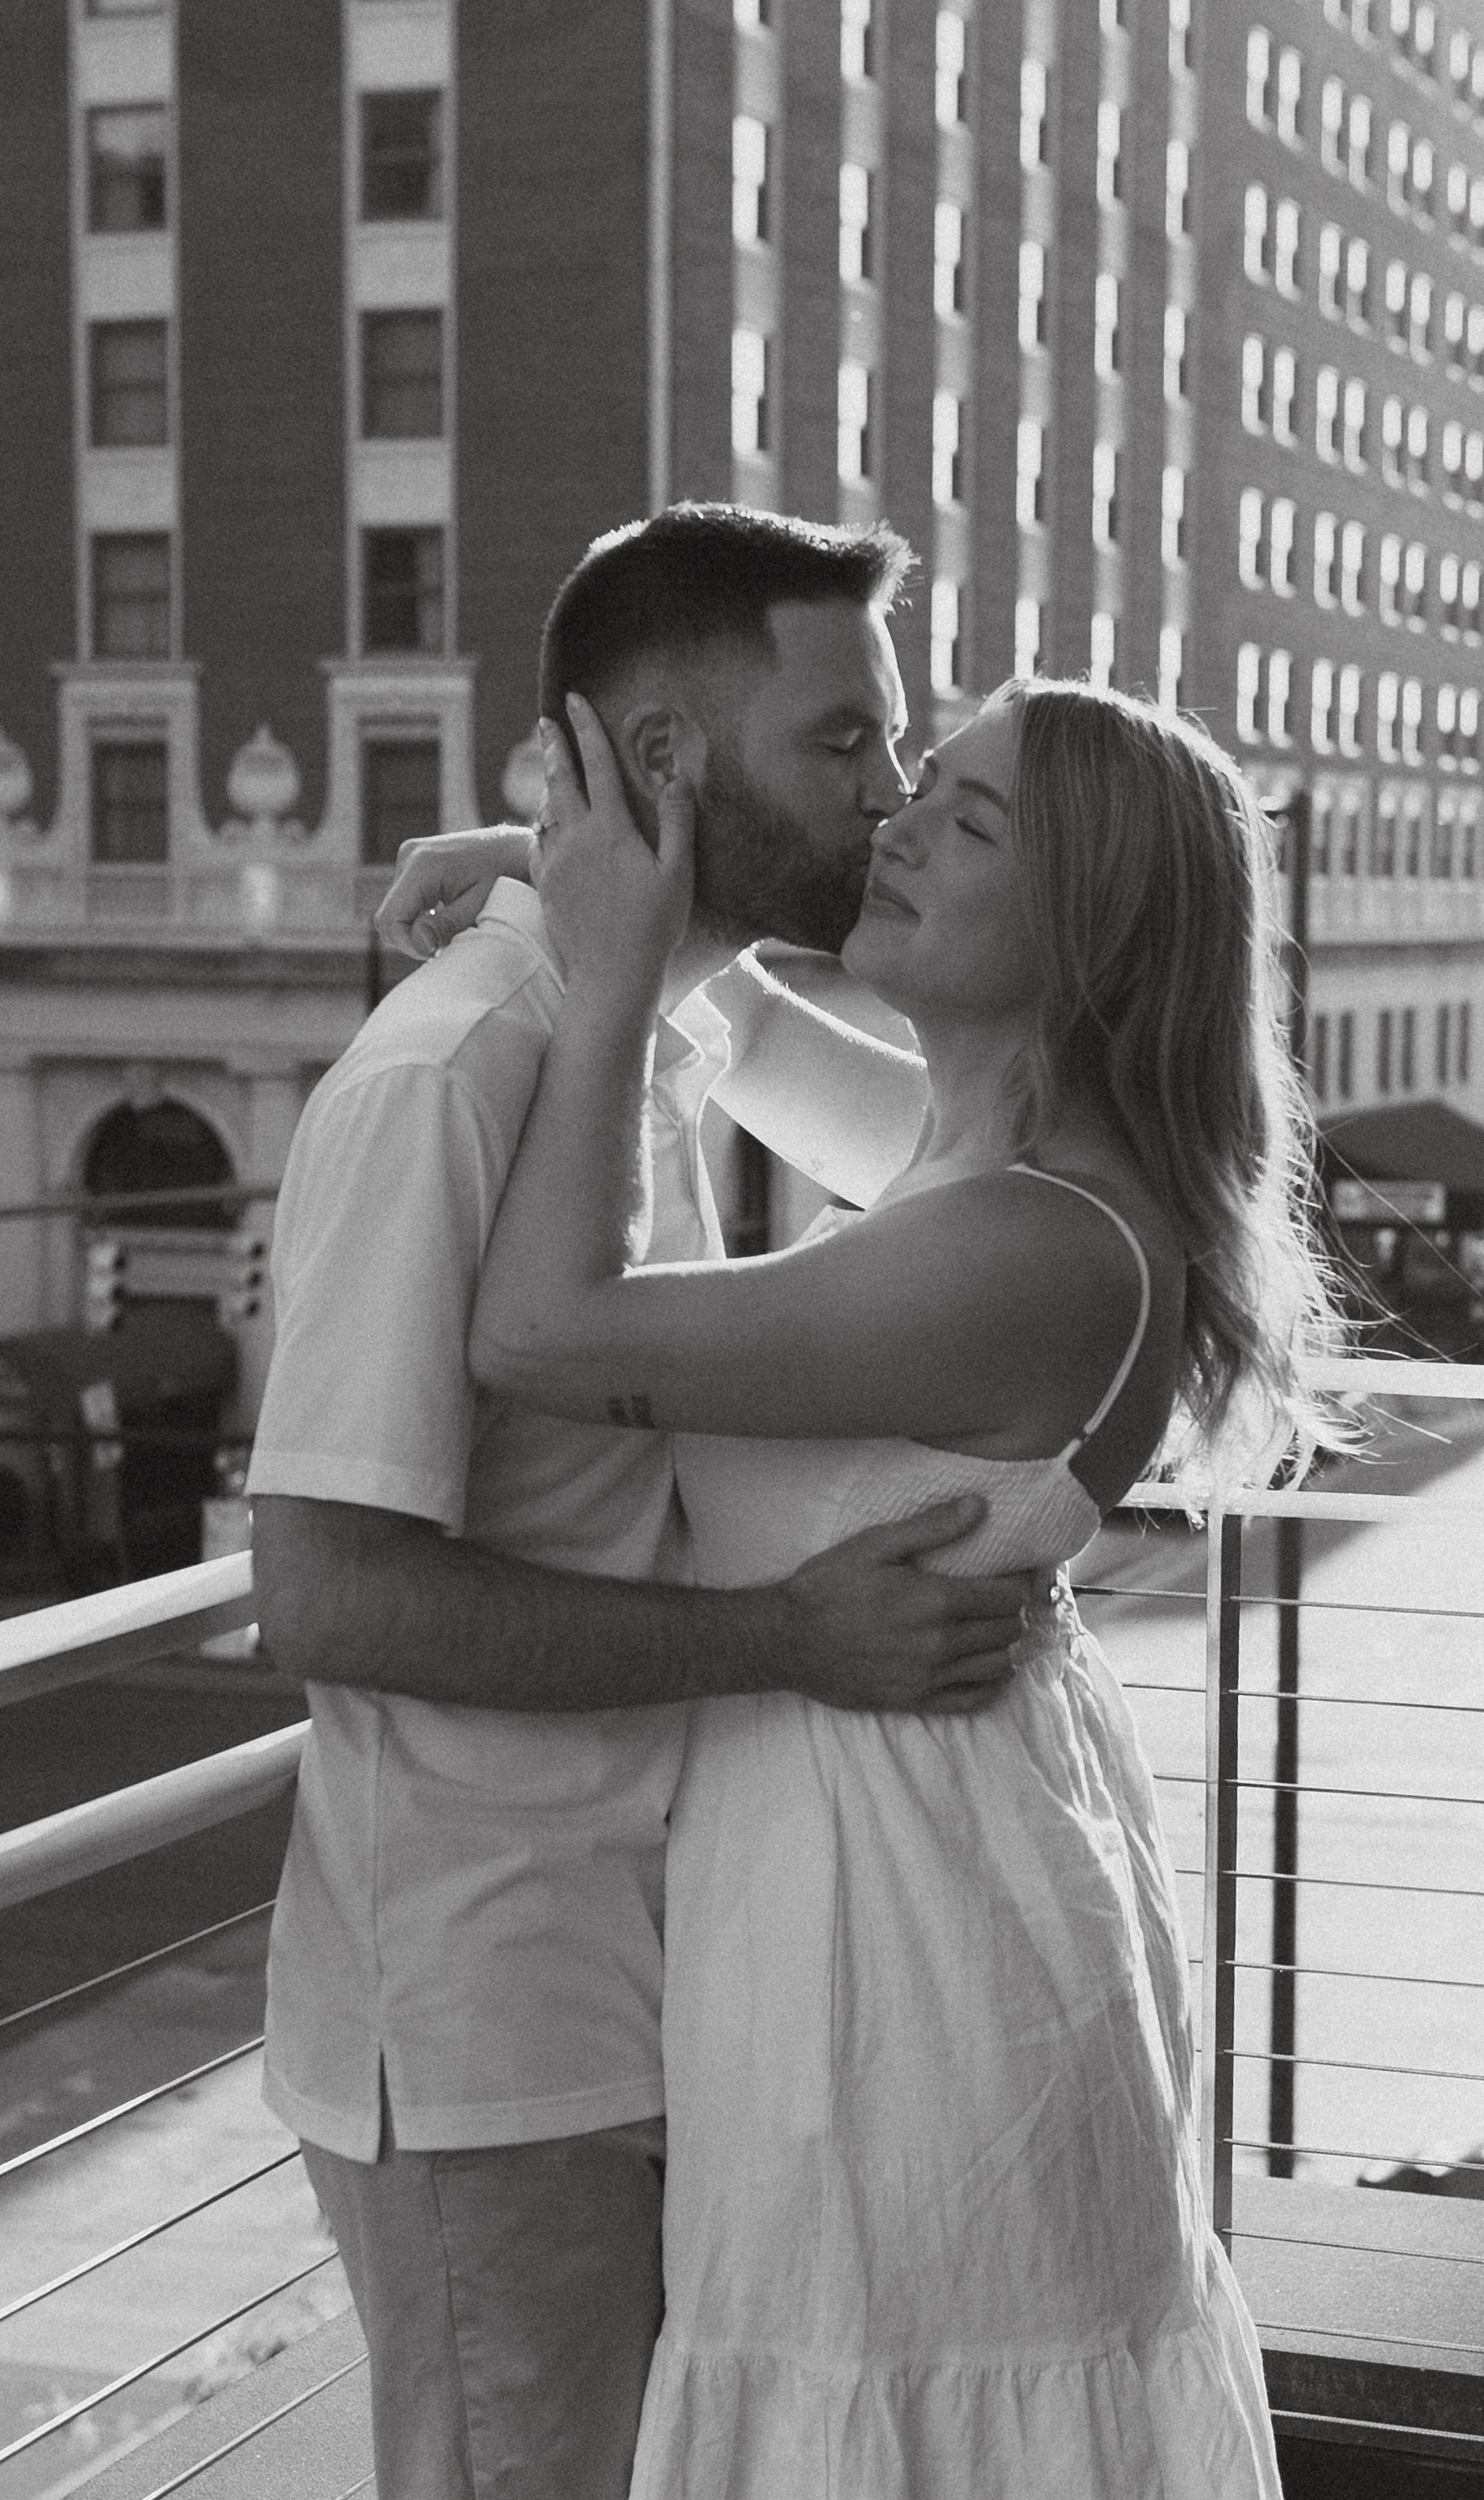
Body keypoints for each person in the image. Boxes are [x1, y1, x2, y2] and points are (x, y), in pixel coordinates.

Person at [463, 675, 1344, 2498]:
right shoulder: (990, 1156)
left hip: (908, 1908)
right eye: (914, 784)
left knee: (901, 2381)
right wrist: (572, 886)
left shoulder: (1030, 1243)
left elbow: (544, 1333)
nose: (901, 822)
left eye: (973, 818)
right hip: (895, 1826)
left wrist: (611, 974)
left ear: (1092, 920)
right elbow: (762, 1036)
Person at [246, 505, 1037, 2500]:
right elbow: (329, 1592)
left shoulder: (632, 1051)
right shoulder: (453, 1074)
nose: (888, 792)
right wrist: (788, 1640)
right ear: (669, 764)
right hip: (488, 2008)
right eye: (844, 741)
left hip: (652, 1976)